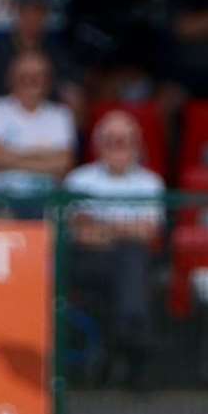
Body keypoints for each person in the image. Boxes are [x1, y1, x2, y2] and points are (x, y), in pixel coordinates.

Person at [63, 110, 165, 388]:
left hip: (131, 262)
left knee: (131, 258)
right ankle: (133, 338)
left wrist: (101, 225)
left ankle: (125, 333)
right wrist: (124, 229)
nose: (118, 146)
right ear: (98, 144)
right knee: (130, 260)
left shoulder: (150, 182)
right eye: (111, 140)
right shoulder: (78, 180)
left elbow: (148, 233)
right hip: (87, 264)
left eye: (125, 140)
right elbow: (78, 233)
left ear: (137, 144)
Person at [0, 0, 83, 127]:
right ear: (17, 13)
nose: (32, 17)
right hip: (4, 126)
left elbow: (77, 113)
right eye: (26, 11)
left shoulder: (59, 54)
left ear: (45, 15)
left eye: (37, 11)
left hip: (47, 126)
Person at [63, 0, 159, 101]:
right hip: (89, 77)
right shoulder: (78, 0)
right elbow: (68, 49)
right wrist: (90, 76)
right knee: (74, 93)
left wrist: (127, 74)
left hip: (132, 77)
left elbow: (152, 49)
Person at [0, 50, 75, 199]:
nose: (31, 81)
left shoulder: (61, 114)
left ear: (48, 81)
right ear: (10, 78)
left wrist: (11, 155)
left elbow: (64, 164)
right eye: (24, 76)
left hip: (46, 199)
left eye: (38, 76)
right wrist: (44, 156)